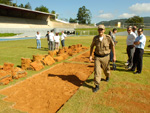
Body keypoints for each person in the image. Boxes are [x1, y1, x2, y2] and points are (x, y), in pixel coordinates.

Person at [89, 25, 116, 92]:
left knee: (106, 70)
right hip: (97, 57)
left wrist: (114, 56)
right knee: (97, 71)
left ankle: (107, 76)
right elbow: (92, 46)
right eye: (99, 29)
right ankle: (97, 85)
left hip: (106, 57)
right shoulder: (95, 38)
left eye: (102, 29)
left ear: (104, 30)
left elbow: (112, 47)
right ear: (98, 30)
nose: (100, 31)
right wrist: (90, 55)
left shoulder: (108, 38)